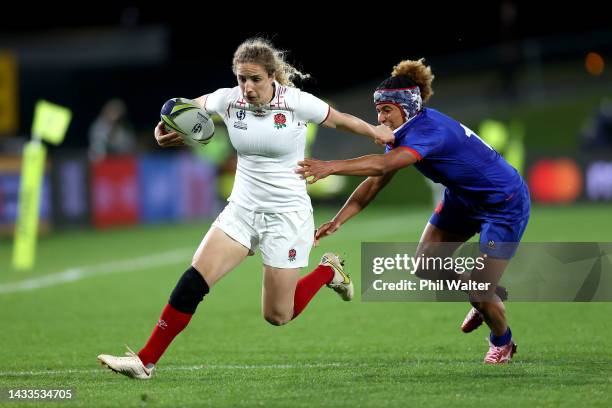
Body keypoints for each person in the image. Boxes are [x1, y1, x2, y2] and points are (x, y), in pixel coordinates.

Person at [97, 38, 394, 379]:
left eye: (255, 79)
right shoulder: (228, 99)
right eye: (242, 79)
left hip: (287, 215)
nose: (248, 87)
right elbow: (179, 111)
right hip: (242, 210)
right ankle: (145, 361)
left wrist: (376, 132)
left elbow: (340, 120)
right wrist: (161, 130)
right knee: (194, 280)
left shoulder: (296, 102)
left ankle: (330, 272)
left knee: (278, 315)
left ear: (272, 77)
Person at [296, 59, 530, 364]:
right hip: (462, 199)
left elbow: (381, 166)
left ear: (407, 107)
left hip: (503, 203)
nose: (380, 117)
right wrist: (339, 220)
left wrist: (331, 166)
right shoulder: (407, 131)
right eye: (378, 110)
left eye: (386, 110)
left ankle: (503, 342)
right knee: (426, 264)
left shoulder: (428, 131)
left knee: (480, 294)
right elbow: (375, 181)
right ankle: (484, 291)